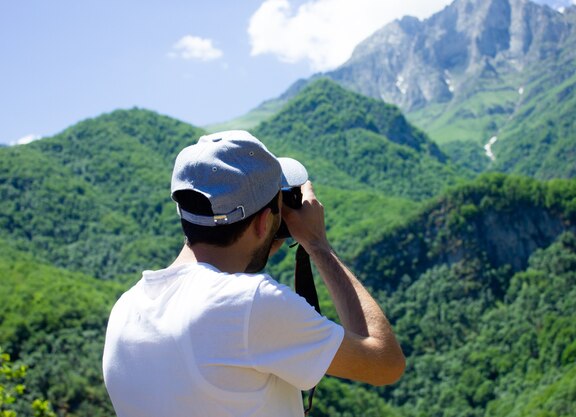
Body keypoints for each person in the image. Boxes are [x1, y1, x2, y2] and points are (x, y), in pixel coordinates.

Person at [102, 130, 405, 417]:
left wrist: (260, 239)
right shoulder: (250, 304)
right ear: (263, 224)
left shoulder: (126, 310)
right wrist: (317, 245)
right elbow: (385, 363)